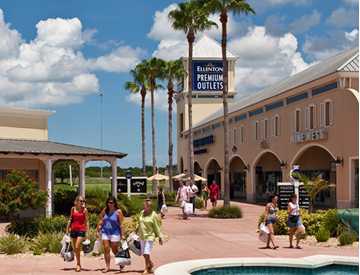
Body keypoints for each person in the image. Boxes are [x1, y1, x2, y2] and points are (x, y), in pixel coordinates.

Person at [96, 196, 124, 273]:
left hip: (115, 233)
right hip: (105, 232)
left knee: (114, 249)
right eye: (108, 202)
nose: (110, 204)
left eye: (111, 202)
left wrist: (123, 234)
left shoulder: (118, 212)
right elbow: (101, 219)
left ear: (115, 203)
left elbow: (121, 224)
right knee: (106, 248)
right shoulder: (105, 210)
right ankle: (107, 267)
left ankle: (121, 262)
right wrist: (98, 227)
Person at [138, 199, 163, 274]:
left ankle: (146, 269)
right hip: (142, 236)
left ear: (151, 207)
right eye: (145, 205)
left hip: (150, 236)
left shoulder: (153, 214)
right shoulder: (142, 213)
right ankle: (151, 264)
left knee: (146, 253)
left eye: (148, 206)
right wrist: (135, 231)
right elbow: (140, 223)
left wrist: (160, 237)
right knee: (144, 254)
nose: (146, 207)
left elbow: (156, 226)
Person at [66, 195, 89, 272]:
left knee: (77, 246)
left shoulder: (85, 210)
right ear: (77, 201)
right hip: (73, 230)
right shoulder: (73, 209)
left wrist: (87, 232)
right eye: (81, 201)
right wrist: (67, 228)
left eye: (83, 201)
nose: (82, 202)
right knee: (76, 249)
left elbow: (87, 221)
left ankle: (78, 264)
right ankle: (78, 263)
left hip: (81, 230)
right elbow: (70, 219)